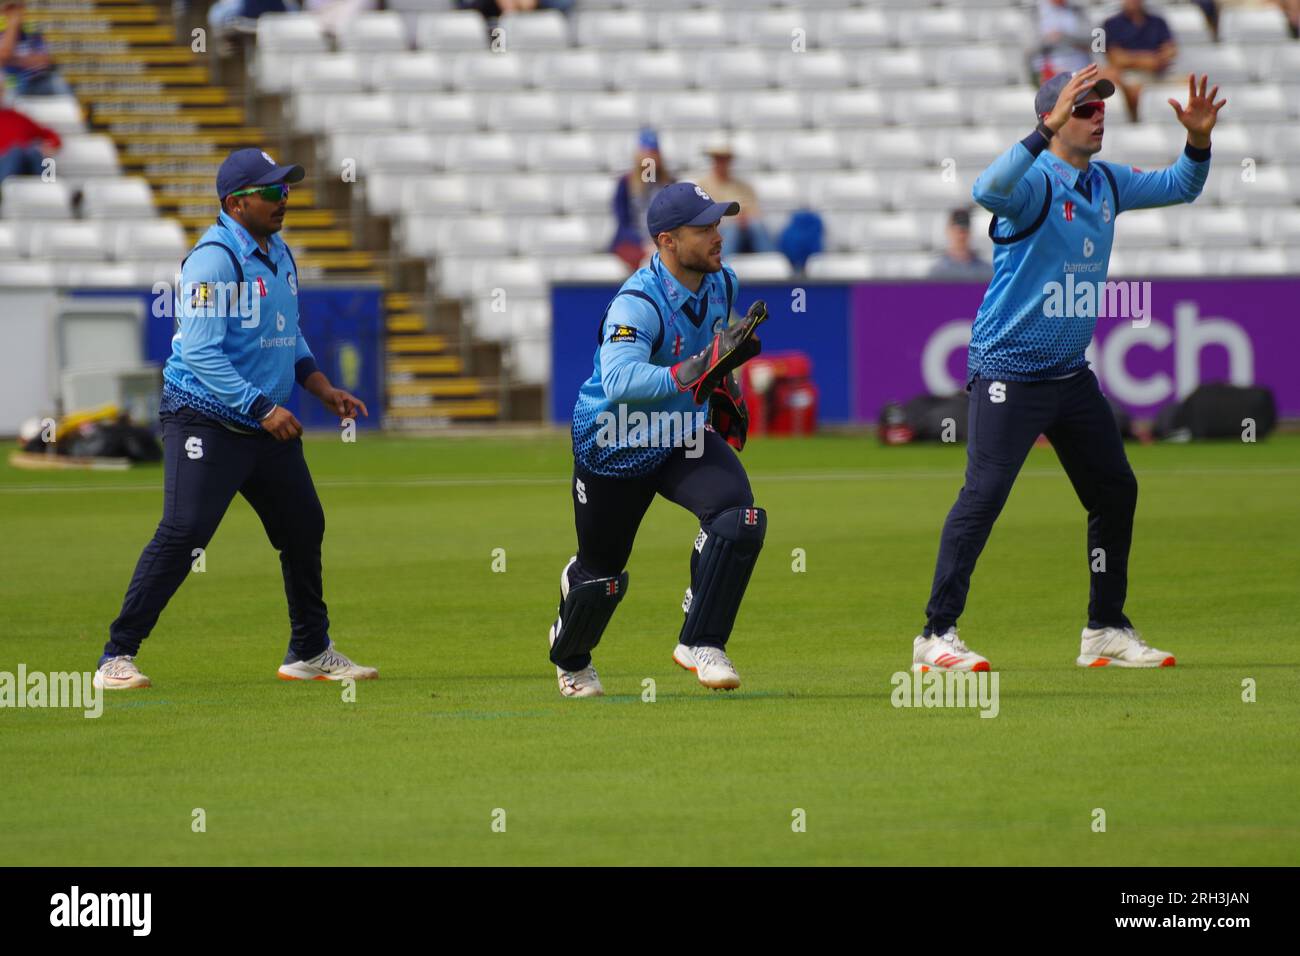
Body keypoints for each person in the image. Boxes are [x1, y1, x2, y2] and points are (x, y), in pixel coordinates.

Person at [911, 66, 1225, 673]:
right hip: (1008, 369)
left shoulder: (1105, 181)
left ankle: (1105, 627)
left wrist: (1199, 141)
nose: (1098, 114)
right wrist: (1039, 134)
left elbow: (1180, 186)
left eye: (1101, 105)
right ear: (1053, 120)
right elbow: (986, 189)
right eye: (1083, 108)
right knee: (984, 497)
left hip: (1068, 374)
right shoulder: (1033, 183)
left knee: (1114, 490)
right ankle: (936, 634)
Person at [95, 147, 377, 690]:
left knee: (303, 526)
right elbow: (200, 353)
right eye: (271, 192)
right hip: (204, 418)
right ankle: (116, 656)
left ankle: (310, 651)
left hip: (262, 424)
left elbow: (287, 334)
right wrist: (263, 407)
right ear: (235, 202)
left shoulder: (280, 254)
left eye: (286, 189)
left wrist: (321, 389)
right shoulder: (212, 259)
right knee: (184, 533)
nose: (283, 199)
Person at [548, 181, 770, 697]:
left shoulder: (723, 283)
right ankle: (572, 659)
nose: (718, 236)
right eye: (705, 228)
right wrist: (695, 370)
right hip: (615, 439)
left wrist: (725, 382)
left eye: (718, 224)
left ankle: (702, 642)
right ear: (667, 241)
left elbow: (713, 347)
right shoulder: (637, 302)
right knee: (601, 578)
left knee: (739, 520)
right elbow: (622, 380)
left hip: (680, 434)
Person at [693, 139, 776, 257]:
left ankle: (770, 262)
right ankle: (721, 263)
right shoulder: (702, 185)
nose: (722, 163)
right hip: (720, 229)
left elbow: (756, 212)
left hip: (747, 229)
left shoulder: (744, 187)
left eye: (725, 159)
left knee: (756, 226)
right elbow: (703, 215)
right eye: (719, 159)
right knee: (733, 230)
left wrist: (744, 219)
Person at [610, 127, 673, 271]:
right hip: (632, 242)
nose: (649, 157)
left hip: (661, 241)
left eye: (653, 152)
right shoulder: (625, 183)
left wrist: (658, 241)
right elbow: (623, 223)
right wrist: (642, 242)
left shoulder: (669, 183)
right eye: (646, 152)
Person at [1103, 0, 1179, 120]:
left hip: (1158, 72)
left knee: (1194, 85)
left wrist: (1156, 60)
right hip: (1129, 74)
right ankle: (1136, 123)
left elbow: (1170, 50)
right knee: (1133, 91)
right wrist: (1146, 60)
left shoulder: (1158, 22)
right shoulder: (1111, 24)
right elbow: (1116, 57)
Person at [0, 2, 72, 97]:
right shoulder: (3, 30)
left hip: (42, 79)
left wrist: (13, 59)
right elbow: (4, 57)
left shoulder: (33, 30)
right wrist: (13, 24)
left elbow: (45, 60)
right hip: (13, 85)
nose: (16, 12)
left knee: (63, 85)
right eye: (12, 9)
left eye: (19, 8)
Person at [0, 95, 58, 182]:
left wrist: (48, 146)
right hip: (5, 162)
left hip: (24, 164)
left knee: (33, 152)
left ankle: (46, 189)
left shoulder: (17, 118)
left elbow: (50, 135)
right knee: (16, 152)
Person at [928, 208, 993, 281]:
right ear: (948, 231)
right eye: (956, 231)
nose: (960, 236)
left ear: (969, 232)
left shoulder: (985, 271)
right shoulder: (938, 272)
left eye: (964, 231)